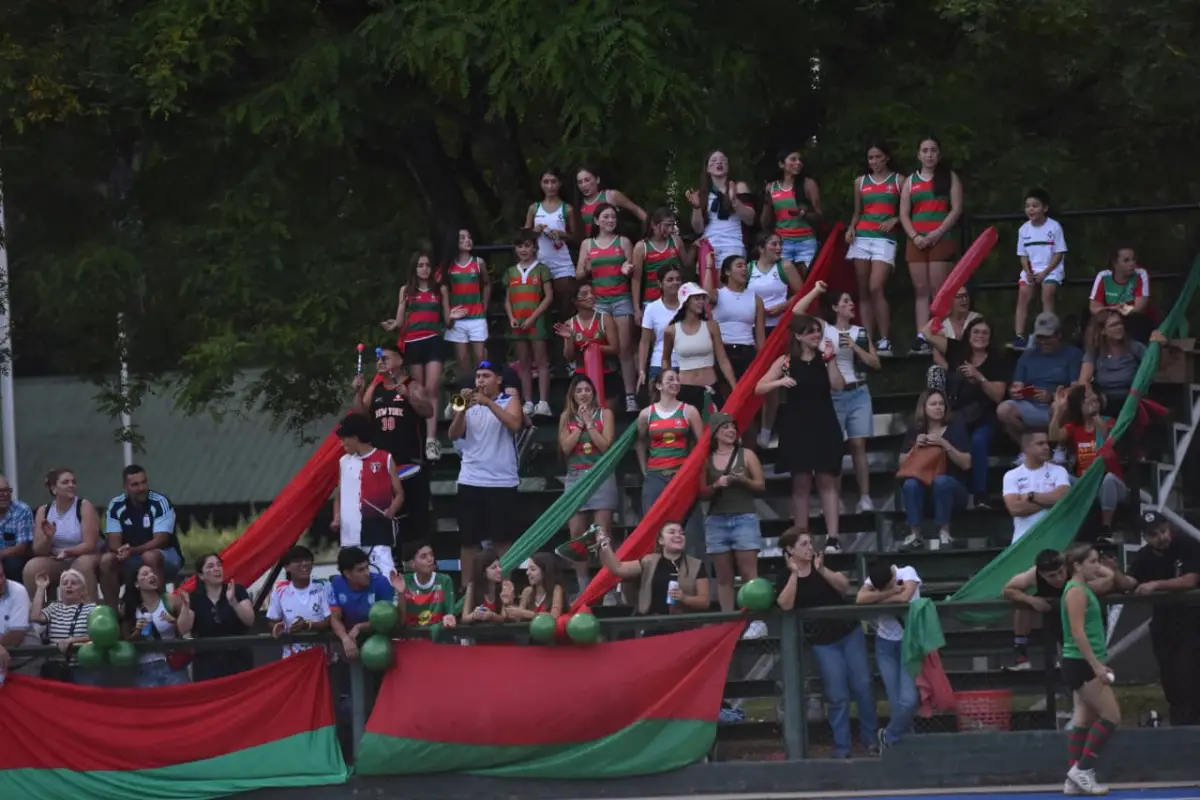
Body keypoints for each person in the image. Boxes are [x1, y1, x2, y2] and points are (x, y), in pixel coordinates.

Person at [775, 528, 878, 758]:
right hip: (823, 642)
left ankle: (870, 740)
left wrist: (822, 570)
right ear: (790, 550)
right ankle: (843, 747)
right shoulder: (784, 576)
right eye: (803, 544)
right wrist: (793, 575)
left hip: (849, 633)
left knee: (863, 686)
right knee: (837, 694)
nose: (809, 548)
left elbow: (844, 586)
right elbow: (785, 604)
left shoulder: (820, 566)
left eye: (810, 543)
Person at [756, 311, 846, 553]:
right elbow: (759, 387)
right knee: (801, 482)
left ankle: (833, 538)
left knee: (827, 479)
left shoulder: (824, 358)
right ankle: (801, 539)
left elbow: (838, 385)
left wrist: (831, 359)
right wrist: (779, 383)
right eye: (811, 332)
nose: (817, 335)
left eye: (818, 330)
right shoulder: (785, 362)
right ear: (798, 336)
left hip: (824, 422)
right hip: (797, 424)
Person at [1113, 511, 1200, 726]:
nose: (1161, 537)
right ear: (1146, 537)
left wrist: (1156, 585)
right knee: (1169, 677)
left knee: (1188, 675)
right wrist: (1114, 572)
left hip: (1191, 621)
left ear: (1169, 527)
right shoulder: (1145, 556)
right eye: (1154, 534)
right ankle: (1179, 725)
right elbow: (1130, 583)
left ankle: (1192, 725)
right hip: (1163, 623)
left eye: (1163, 531)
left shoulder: (1186, 545)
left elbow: (1190, 580)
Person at [449, 361, 524, 581]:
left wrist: (487, 403)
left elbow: (515, 424)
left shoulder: (510, 400)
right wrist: (462, 410)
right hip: (471, 479)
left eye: (486, 376)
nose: (480, 380)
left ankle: (507, 590)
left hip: (502, 482)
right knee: (468, 541)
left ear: (499, 379)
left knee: (503, 541)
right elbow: (454, 435)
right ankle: (467, 593)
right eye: (478, 376)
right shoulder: (463, 401)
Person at [353, 344, 435, 542]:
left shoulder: (412, 385)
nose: (381, 362)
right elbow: (360, 417)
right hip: (383, 466)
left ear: (399, 361)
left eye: (387, 358)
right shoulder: (375, 389)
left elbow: (428, 411)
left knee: (416, 519)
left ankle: (419, 556)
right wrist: (358, 392)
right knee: (387, 518)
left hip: (410, 462)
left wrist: (408, 395)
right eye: (380, 359)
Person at [922, 317, 1007, 507]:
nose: (980, 336)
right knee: (949, 436)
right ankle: (947, 493)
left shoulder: (997, 359)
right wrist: (940, 310)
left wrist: (979, 377)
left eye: (985, 333)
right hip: (960, 414)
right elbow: (926, 333)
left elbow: (998, 396)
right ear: (968, 334)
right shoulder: (957, 350)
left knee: (978, 440)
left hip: (986, 416)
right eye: (976, 332)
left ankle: (980, 495)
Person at [1060, 544, 1121, 796]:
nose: (1098, 566)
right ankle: (1082, 770)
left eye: (1098, 561)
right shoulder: (1076, 592)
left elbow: (1109, 576)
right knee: (1111, 716)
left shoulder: (1084, 587)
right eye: (1092, 561)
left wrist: (1101, 566)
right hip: (1082, 663)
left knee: (1084, 720)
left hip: (1085, 662)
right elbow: (1077, 632)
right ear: (1077, 566)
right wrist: (1096, 665)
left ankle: (1072, 779)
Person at [699, 413, 765, 635]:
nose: (731, 431)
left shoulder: (747, 455)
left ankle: (755, 620)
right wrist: (717, 484)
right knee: (724, 576)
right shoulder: (706, 460)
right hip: (716, 519)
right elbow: (702, 493)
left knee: (749, 573)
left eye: (733, 427)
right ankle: (728, 622)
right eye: (725, 427)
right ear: (716, 433)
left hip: (744, 516)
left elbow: (760, 486)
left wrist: (742, 480)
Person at [1001, 548, 1120, 672]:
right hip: (1056, 609)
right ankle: (1021, 652)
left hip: (1083, 610)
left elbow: (1110, 575)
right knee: (1022, 604)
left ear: (1065, 566)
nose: (1058, 578)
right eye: (1051, 576)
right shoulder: (1033, 574)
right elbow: (1008, 590)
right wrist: (1031, 600)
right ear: (1041, 574)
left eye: (1060, 572)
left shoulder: (1074, 566)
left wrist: (1085, 588)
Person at [383, 251, 450, 460]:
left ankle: (431, 440)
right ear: (414, 268)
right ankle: (418, 435)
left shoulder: (440, 289)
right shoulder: (406, 291)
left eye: (427, 265)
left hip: (433, 340)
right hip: (413, 342)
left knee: (432, 388)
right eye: (420, 265)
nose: (424, 268)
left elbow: (447, 320)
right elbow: (400, 320)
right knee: (418, 391)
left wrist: (454, 317)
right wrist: (393, 324)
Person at [899, 135, 963, 354]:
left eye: (933, 150)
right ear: (918, 154)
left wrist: (937, 233)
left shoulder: (949, 177)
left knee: (940, 291)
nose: (929, 155)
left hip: (941, 238)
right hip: (916, 240)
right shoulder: (910, 181)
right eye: (925, 150)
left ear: (939, 154)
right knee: (921, 291)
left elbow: (956, 209)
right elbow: (904, 213)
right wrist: (915, 236)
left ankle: (939, 334)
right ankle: (921, 335)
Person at [555, 375, 618, 594]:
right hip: (575, 477)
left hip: (600, 476)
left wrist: (590, 424)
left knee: (602, 535)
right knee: (577, 536)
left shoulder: (605, 413)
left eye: (587, 390)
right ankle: (583, 589)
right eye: (579, 390)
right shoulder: (566, 417)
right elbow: (565, 448)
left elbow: (605, 445)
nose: (584, 393)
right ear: (573, 394)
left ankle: (606, 589)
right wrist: (579, 425)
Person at [635, 369, 706, 558]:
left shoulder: (689, 410)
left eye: (677, 379)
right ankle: (658, 576)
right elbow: (640, 441)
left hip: (681, 475)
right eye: (670, 380)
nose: (675, 383)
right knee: (653, 529)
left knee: (690, 529)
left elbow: (702, 445)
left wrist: (694, 472)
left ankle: (692, 579)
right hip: (655, 475)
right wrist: (645, 470)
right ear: (659, 386)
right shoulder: (646, 414)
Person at [576, 203, 639, 411]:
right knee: (597, 350)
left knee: (624, 349)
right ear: (596, 221)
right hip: (598, 302)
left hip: (621, 298)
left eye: (613, 217)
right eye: (605, 217)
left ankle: (630, 396)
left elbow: (633, 269)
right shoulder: (587, 244)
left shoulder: (624, 241)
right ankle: (597, 396)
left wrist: (627, 268)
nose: (610, 220)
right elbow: (578, 274)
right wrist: (585, 268)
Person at [746, 233, 807, 447]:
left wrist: (782, 306)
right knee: (755, 379)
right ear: (761, 248)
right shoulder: (748, 269)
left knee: (772, 378)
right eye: (774, 244)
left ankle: (766, 428)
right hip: (753, 328)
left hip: (779, 329)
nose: (779, 247)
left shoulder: (785, 266)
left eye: (781, 244)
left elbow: (802, 293)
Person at [823, 291, 882, 513]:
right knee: (836, 447)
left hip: (858, 391)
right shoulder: (824, 330)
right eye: (845, 301)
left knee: (858, 445)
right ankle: (834, 499)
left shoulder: (860, 332)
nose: (851, 304)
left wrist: (856, 347)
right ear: (835, 307)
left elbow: (875, 363)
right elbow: (798, 314)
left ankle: (865, 497)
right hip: (834, 394)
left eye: (851, 300)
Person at [24, 468, 116, 608]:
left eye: (73, 482)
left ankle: (90, 613)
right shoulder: (44, 511)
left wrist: (68, 552)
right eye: (65, 482)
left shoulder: (84, 506)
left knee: (80, 566)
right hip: (57, 559)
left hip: (85, 555)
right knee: (32, 568)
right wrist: (48, 538)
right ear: (54, 489)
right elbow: (38, 550)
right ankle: (41, 616)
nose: (71, 485)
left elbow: (90, 544)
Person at [845, 141, 903, 355]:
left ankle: (885, 339)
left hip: (884, 239)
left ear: (887, 157)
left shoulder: (898, 180)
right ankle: (868, 339)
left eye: (879, 157)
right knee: (863, 291)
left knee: (876, 287)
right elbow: (857, 212)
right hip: (862, 237)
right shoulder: (860, 181)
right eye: (871, 158)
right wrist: (851, 228)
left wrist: (895, 219)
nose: (875, 161)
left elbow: (909, 210)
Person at [857, 560, 922, 749]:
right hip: (885, 644)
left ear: (894, 575)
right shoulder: (874, 580)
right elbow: (860, 599)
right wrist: (891, 592)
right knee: (895, 702)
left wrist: (877, 598)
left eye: (891, 584)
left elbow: (905, 598)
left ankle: (888, 735)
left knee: (908, 700)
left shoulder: (908, 571)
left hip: (908, 643)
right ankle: (904, 745)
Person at [1049, 385, 1127, 541]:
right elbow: (1054, 437)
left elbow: (1107, 438)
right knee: (1059, 473)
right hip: (1085, 483)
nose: (1092, 402)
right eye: (1087, 400)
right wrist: (1058, 411)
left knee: (1109, 479)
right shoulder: (1074, 427)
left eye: (1095, 400)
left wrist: (1095, 416)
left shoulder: (1109, 422)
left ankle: (1106, 528)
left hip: (1110, 484)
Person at [996, 312, 1082, 452]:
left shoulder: (1072, 354)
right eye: (1039, 337)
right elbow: (1017, 383)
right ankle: (1027, 449)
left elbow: (1076, 388)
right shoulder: (1027, 355)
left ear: (1058, 335)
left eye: (1047, 337)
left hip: (1056, 406)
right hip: (1030, 404)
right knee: (1004, 410)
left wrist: (1052, 396)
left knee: (1060, 406)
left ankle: (1060, 448)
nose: (1043, 342)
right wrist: (1016, 391)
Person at [897, 390, 971, 549]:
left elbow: (966, 464)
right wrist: (916, 447)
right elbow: (902, 464)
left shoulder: (955, 428)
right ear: (923, 408)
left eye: (941, 404)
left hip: (953, 491)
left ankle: (945, 533)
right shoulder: (915, 431)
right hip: (925, 492)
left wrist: (944, 444)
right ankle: (915, 534)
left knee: (941, 481)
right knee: (910, 484)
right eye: (933, 404)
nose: (938, 407)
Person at [332, 413, 404, 576]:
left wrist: (392, 509)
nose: (342, 443)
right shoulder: (344, 462)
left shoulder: (385, 458)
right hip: (350, 534)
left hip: (377, 530)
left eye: (344, 439)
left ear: (356, 437)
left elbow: (399, 494)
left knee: (385, 576)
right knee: (353, 580)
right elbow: (339, 496)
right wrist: (336, 517)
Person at [596, 523, 710, 615]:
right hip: (651, 623)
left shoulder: (696, 565)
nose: (678, 535)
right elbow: (618, 568)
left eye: (682, 533)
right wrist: (603, 544)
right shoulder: (648, 561)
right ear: (661, 541)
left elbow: (704, 602)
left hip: (682, 626)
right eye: (672, 532)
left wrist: (684, 598)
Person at [661, 282, 739, 414]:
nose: (701, 302)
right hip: (684, 389)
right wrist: (668, 384)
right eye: (696, 298)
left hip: (710, 387)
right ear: (686, 302)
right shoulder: (671, 330)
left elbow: (723, 359)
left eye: (703, 298)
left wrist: (735, 387)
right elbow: (665, 359)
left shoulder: (711, 326)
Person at [176, 553, 255, 681]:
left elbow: (250, 620)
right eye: (210, 566)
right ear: (201, 575)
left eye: (219, 565)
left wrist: (233, 602)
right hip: (207, 662)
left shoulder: (237, 590)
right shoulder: (194, 598)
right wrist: (185, 606)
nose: (216, 569)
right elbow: (183, 628)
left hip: (238, 659)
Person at [104, 465, 182, 592]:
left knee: (149, 556)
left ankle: (161, 607)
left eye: (144, 482)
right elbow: (113, 542)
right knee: (106, 560)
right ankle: (111, 610)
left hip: (165, 554)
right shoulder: (116, 505)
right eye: (135, 485)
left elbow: (161, 540)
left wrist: (133, 550)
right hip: (130, 556)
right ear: (125, 487)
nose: (141, 488)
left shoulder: (160, 502)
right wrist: (121, 551)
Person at [504, 229, 555, 417]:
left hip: (537, 322)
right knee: (523, 363)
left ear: (534, 247)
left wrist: (533, 317)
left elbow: (549, 297)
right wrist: (511, 317)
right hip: (517, 324)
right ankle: (528, 402)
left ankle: (543, 402)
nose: (523, 250)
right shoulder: (510, 272)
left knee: (541, 362)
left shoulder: (542, 269)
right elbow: (507, 299)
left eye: (527, 245)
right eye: (519, 246)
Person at [1077, 308, 1166, 414]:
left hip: (1132, 401)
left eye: (1120, 324)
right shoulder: (1095, 351)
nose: (1119, 327)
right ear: (1103, 331)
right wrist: (1093, 397)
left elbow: (1155, 365)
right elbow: (1083, 380)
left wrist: (1159, 346)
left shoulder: (1134, 347)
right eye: (1113, 325)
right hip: (1104, 402)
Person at [1012, 189, 1068, 350]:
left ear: (1045, 208)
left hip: (1051, 268)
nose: (1030, 209)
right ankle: (1019, 335)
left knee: (1048, 291)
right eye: (1027, 206)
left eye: (1035, 206)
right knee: (1023, 294)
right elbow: (1022, 255)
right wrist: (1028, 271)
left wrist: (1045, 272)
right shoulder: (1023, 229)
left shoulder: (1054, 227)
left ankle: (1049, 331)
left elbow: (1059, 253)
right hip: (1031, 269)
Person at [702, 255, 766, 392]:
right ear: (727, 271)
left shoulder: (756, 300)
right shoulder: (718, 294)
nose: (744, 269)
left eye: (745, 266)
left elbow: (760, 337)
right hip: (722, 351)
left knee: (747, 395)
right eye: (739, 266)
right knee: (725, 396)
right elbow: (705, 295)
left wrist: (763, 361)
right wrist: (708, 266)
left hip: (747, 352)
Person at [554, 282, 622, 409]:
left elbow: (615, 348)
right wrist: (569, 339)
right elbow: (568, 356)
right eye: (585, 294)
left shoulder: (605, 319)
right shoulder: (571, 323)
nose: (591, 296)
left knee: (605, 416)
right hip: (581, 375)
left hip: (606, 373)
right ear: (575, 301)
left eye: (592, 293)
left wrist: (592, 346)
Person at [120, 564, 189, 688]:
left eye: (152, 573)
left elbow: (185, 630)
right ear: (136, 583)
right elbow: (125, 641)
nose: (151, 576)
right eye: (145, 574)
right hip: (144, 667)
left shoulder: (171, 600)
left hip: (172, 664)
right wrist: (137, 631)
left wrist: (174, 621)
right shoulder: (129, 607)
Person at [525, 169, 579, 325]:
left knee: (567, 306)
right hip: (539, 263)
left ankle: (567, 343)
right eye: (546, 182)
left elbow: (575, 237)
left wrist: (562, 234)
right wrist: (534, 232)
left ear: (560, 184)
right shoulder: (534, 208)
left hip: (562, 263)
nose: (550, 186)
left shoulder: (567, 209)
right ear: (541, 184)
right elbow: (524, 237)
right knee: (540, 308)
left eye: (553, 182)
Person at [686, 150, 756, 270]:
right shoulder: (701, 194)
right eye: (713, 161)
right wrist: (696, 207)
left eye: (723, 160)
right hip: (709, 245)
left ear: (728, 167)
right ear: (707, 169)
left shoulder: (739, 187)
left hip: (734, 243)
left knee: (731, 284)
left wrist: (734, 201)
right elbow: (698, 229)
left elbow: (750, 219)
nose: (719, 162)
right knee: (709, 286)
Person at [760, 147, 823, 271]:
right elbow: (764, 222)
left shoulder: (808, 184)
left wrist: (805, 214)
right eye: (793, 159)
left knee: (807, 282)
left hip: (806, 242)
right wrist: (766, 200)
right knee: (784, 282)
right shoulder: (771, 188)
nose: (798, 163)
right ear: (781, 164)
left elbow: (820, 216)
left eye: (800, 160)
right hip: (782, 243)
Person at [1002, 432, 1071, 544]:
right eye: (1040, 444)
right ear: (1026, 449)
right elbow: (1015, 509)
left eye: (1047, 443)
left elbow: (1063, 498)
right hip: (1023, 540)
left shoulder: (1059, 471)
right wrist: (1050, 501)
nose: (1046, 447)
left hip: (1054, 539)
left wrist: (1031, 496)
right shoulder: (1011, 475)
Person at [327, 546, 396, 660]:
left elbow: (387, 620)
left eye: (367, 567)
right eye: (361, 570)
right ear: (347, 573)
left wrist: (360, 627)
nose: (367, 573)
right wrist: (345, 639)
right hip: (349, 637)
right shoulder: (337, 584)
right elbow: (335, 618)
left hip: (378, 640)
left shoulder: (381, 582)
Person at [30, 568, 98, 683]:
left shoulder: (92, 609)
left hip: (82, 668)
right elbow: (35, 617)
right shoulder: (54, 608)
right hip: (56, 670)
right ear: (60, 589)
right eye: (64, 583)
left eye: (74, 583)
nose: (69, 586)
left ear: (82, 590)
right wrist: (41, 588)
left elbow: (97, 636)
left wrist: (73, 640)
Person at [266, 545, 331, 659]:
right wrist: (279, 627)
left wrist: (308, 626)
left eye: (308, 560)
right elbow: (272, 621)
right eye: (298, 561)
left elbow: (331, 619)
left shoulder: (324, 585)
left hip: (321, 657)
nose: (305, 564)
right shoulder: (280, 590)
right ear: (287, 567)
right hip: (292, 659)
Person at [440, 227, 492, 371]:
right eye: (462, 238)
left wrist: (484, 306)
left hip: (477, 317)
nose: (467, 240)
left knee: (481, 359)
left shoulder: (478, 262)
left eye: (469, 237)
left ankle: (483, 392)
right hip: (457, 319)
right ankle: (466, 392)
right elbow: (444, 290)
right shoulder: (449, 266)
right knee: (462, 362)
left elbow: (487, 284)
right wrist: (448, 315)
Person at [1087, 246, 1153, 343]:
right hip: (1109, 315)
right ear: (1115, 263)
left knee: (1137, 322)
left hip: (1133, 317)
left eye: (1133, 260)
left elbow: (1139, 307)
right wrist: (1113, 309)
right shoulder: (1103, 276)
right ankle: (1090, 356)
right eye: (1126, 260)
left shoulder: (1140, 274)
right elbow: (1094, 307)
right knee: (1093, 323)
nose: (1132, 264)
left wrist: (1121, 310)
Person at [632, 208, 694, 310]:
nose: (670, 229)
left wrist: (694, 248)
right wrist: (636, 308)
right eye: (667, 225)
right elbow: (636, 279)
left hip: (676, 299)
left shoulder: (676, 241)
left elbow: (687, 264)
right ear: (654, 225)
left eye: (672, 225)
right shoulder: (642, 247)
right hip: (651, 300)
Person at [637, 263, 683, 392]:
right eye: (670, 280)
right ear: (660, 283)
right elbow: (645, 341)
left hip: (686, 365)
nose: (675, 283)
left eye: (678, 279)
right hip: (659, 365)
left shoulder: (689, 305)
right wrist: (641, 370)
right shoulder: (652, 308)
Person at [393, 541, 457, 629]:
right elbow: (401, 622)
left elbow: (449, 614)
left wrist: (449, 619)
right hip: (411, 638)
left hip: (437, 638)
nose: (430, 559)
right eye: (423, 556)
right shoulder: (405, 581)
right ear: (413, 564)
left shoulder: (444, 580)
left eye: (431, 555)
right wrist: (401, 594)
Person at [576, 165, 647, 232]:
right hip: (591, 243)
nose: (583, 185)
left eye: (587, 180)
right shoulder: (579, 204)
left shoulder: (610, 195)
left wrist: (650, 229)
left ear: (597, 180)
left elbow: (636, 210)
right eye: (580, 182)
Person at [0, 560, 39, 677]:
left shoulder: (17, 590)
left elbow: (16, 635)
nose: (1, 581)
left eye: (1, 575)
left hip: (24, 658)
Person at [506, 553, 566, 620]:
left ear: (545, 572)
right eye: (528, 569)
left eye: (532, 569)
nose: (527, 572)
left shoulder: (556, 589)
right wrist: (508, 604)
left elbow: (554, 616)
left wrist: (524, 613)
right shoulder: (527, 591)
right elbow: (518, 616)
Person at [461, 547, 512, 624]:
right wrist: (474, 615)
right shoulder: (472, 586)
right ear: (483, 572)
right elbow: (464, 618)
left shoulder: (504, 586)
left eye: (500, 566)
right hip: (480, 634)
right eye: (494, 567)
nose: (499, 570)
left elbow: (505, 617)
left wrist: (491, 616)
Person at [0, 474, 34, 583]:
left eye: (8, 490)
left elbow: (21, 547)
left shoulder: (21, 510)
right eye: (0, 491)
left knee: (12, 564)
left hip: (14, 558)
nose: (5, 494)